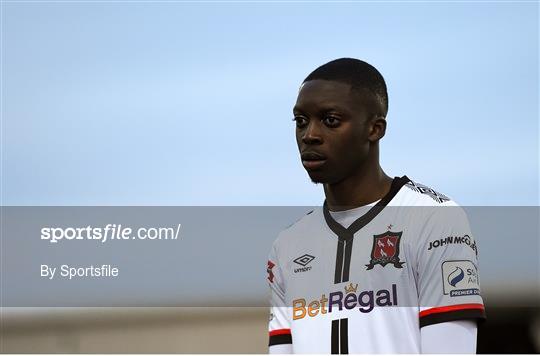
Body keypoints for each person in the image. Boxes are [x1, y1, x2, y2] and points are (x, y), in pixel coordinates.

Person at [267, 58, 486, 354]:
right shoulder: (288, 245)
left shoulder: (436, 220)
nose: (309, 135)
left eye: (330, 120)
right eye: (301, 121)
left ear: (375, 129)